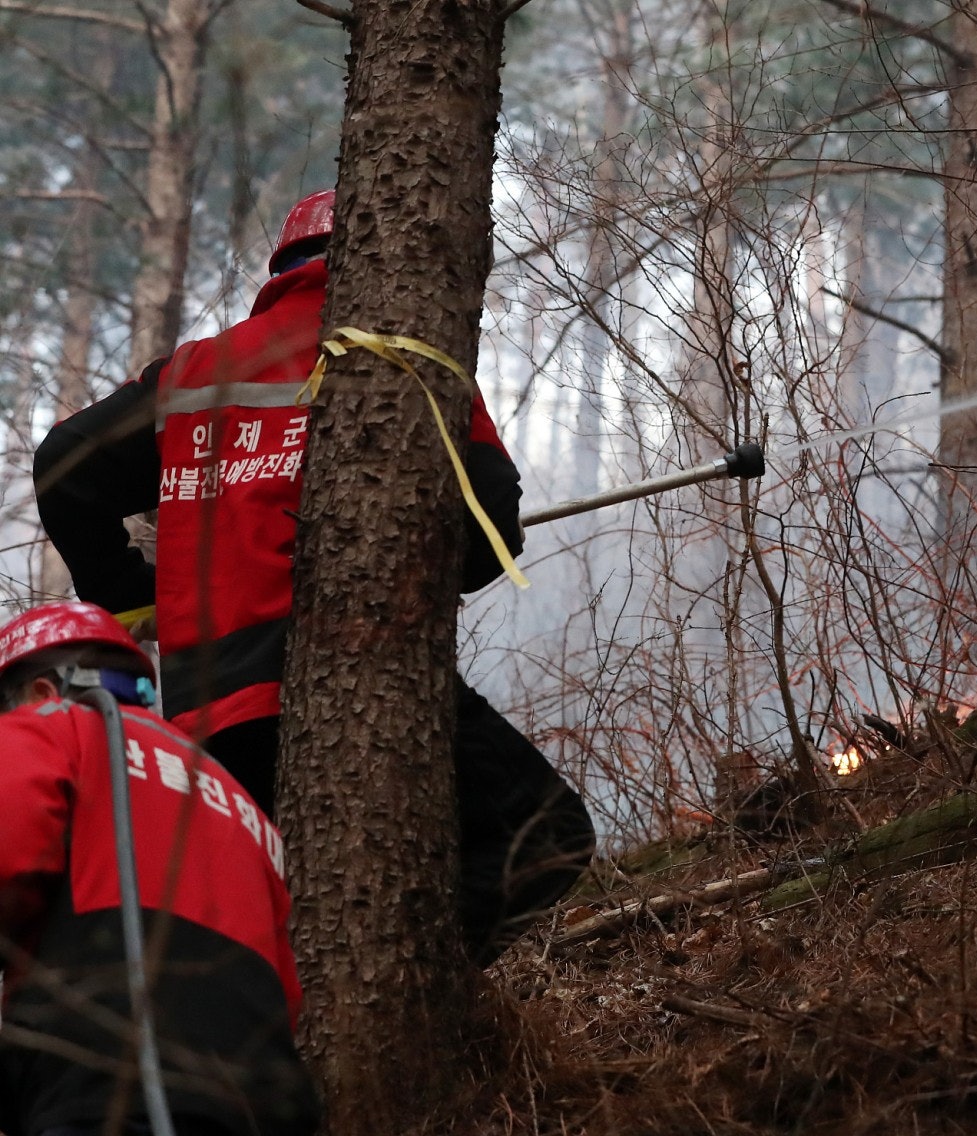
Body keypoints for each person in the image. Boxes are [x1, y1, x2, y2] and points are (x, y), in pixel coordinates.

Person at [33, 189, 595, 964]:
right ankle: (403, 986)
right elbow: (490, 519)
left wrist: (129, 595)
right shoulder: (408, 354)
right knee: (548, 839)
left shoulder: (196, 373)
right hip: (359, 686)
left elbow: (64, 467)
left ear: (284, 267)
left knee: (267, 913)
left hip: (205, 730)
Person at [0, 601, 321, 1136]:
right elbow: (294, 986)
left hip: (104, 1081)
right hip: (263, 1105)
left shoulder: (52, 728)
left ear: (39, 694)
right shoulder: (240, 803)